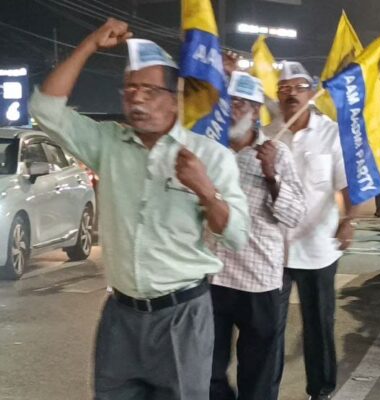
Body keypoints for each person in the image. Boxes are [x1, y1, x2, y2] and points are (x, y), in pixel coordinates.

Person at [29, 18, 250, 399]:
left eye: (149, 90)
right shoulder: (108, 143)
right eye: (130, 89)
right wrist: (90, 44)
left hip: (182, 317)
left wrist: (205, 190)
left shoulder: (210, 157)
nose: (137, 98)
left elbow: (236, 236)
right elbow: (44, 109)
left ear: (174, 97)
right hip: (121, 316)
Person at [208, 71, 306, 400]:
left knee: (258, 375)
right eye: (227, 102)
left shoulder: (275, 153)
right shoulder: (209, 151)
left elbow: (294, 215)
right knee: (207, 371)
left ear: (255, 111)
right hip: (213, 278)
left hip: (258, 280)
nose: (231, 109)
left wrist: (272, 176)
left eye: (240, 103)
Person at [267, 61, 358, 400]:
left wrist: (348, 221)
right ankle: (265, 391)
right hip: (273, 250)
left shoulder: (330, 133)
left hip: (318, 248)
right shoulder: (268, 135)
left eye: (298, 87)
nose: (290, 93)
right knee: (268, 329)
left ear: (311, 93)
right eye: (284, 88)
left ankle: (320, 391)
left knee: (319, 325)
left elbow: (347, 185)